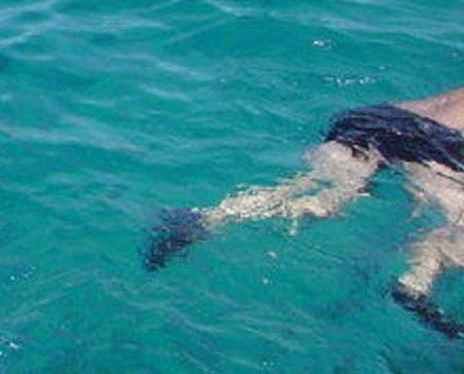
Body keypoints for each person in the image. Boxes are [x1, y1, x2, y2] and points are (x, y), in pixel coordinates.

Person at [143, 85, 464, 337]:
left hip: (378, 118)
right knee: (453, 223)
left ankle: (210, 217)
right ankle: (414, 285)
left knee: (317, 193)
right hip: (443, 144)